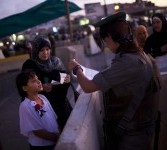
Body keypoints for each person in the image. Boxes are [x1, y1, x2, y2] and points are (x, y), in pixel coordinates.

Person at [68, 11, 161, 150]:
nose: (106, 45)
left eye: (106, 40)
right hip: (141, 130)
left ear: (112, 37)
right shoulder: (139, 54)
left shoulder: (127, 62)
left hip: (132, 136)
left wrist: (76, 69)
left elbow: (88, 86)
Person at [21, 35, 72, 131]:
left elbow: (64, 80)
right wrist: (41, 88)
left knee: (66, 132)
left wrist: (67, 80)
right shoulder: (30, 65)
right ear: (36, 51)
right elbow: (25, 87)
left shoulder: (56, 62)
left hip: (61, 105)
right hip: (42, 107)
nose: (45, 53)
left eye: (47, 49)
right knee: (50, 134)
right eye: (42, 50)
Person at [16, 70, 60, 150]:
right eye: (33, 81)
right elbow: (37, 131)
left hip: (54, 140)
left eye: (38, 79)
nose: (39, 82)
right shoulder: (25, 106)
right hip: (42, 146)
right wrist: (57, 138)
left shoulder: (43, 98)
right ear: (25, 88)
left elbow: (53, 118)